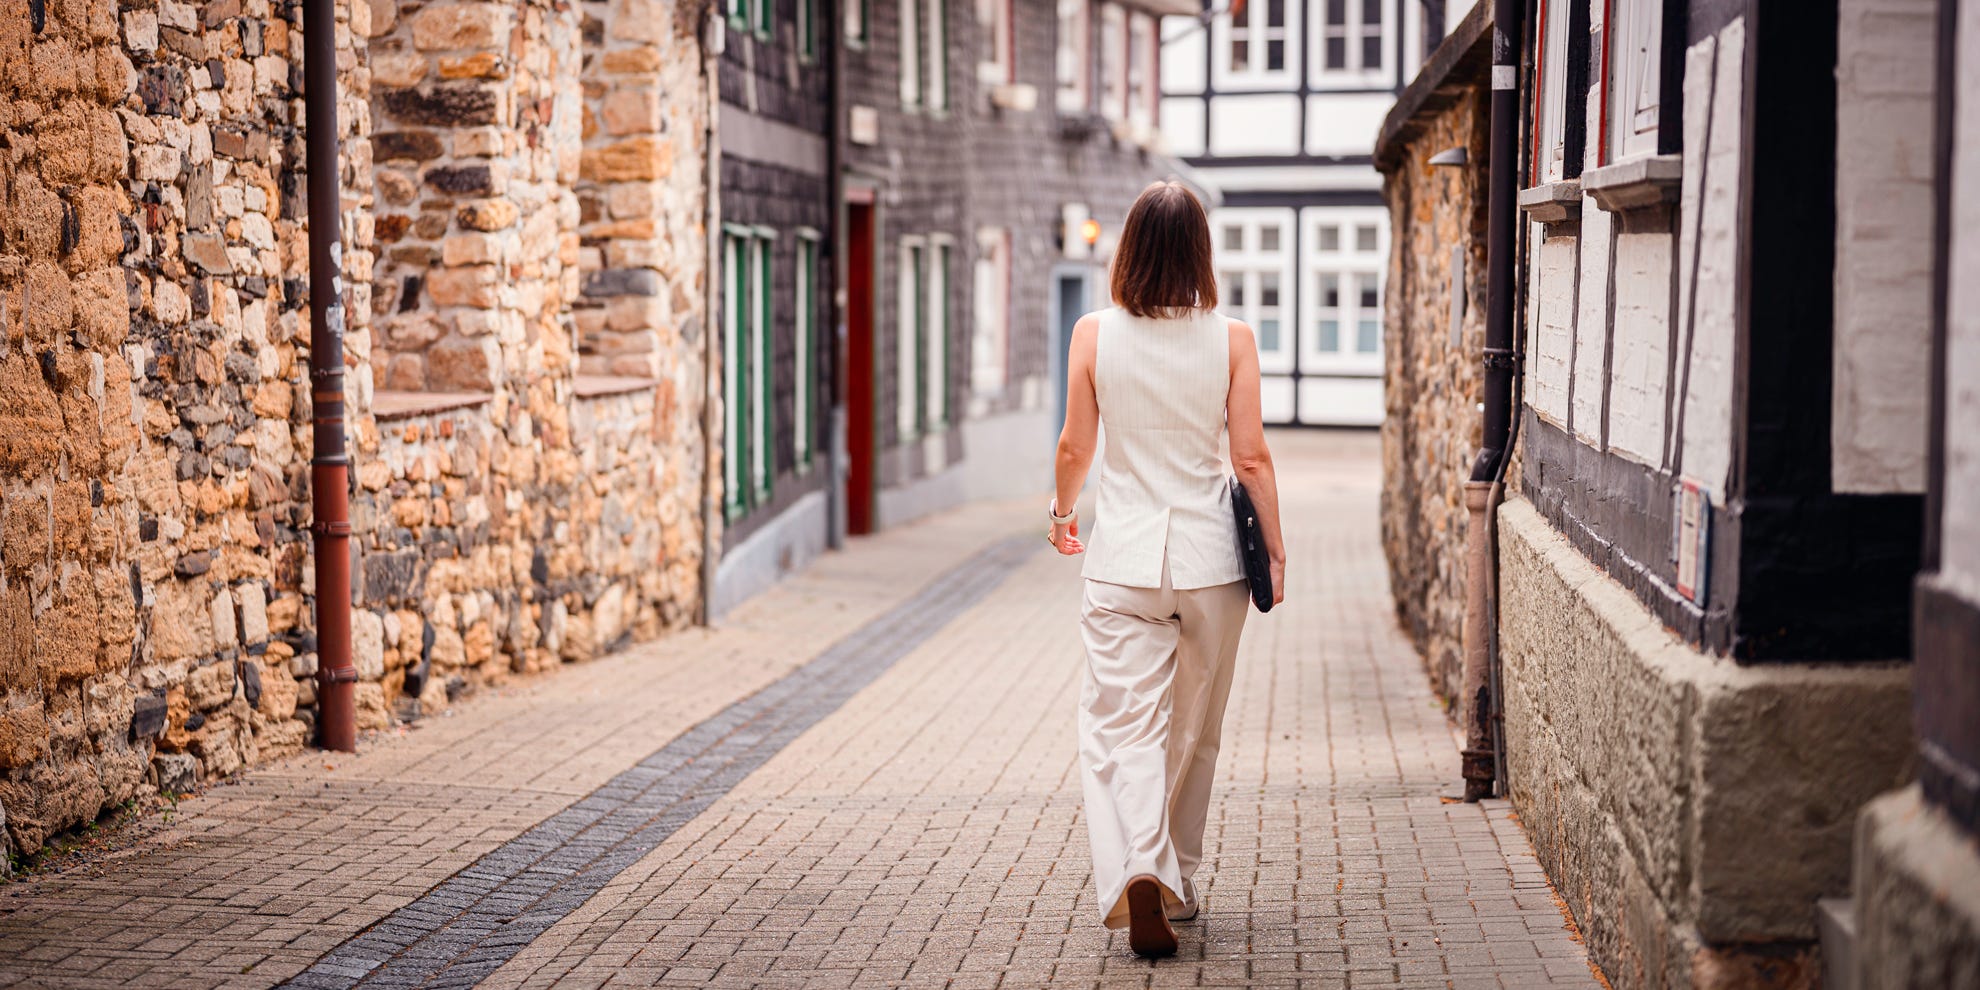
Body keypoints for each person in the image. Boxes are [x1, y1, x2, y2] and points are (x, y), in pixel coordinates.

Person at [1048, 180, 1287, 958]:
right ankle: (1176, 879)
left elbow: (1076, 447)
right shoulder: (1233, 339)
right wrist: (1276, 553)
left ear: (1129, 248)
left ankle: (1139, 868)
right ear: (1200, 252)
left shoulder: (1092, 334)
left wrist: (1061, 513)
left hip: (1122, 562)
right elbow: (1250, 456)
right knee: (1196, 729)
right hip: (1211, 564)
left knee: (1122, 726)